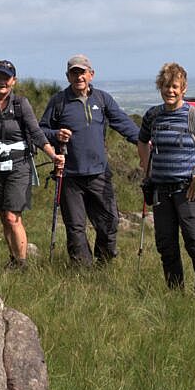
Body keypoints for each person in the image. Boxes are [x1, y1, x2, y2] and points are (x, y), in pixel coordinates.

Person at [39, 54, 139, 266]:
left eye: (82, 72)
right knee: (75, 226)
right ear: (68, 76)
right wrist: (56, 134)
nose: (79, 77)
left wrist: (144, 142)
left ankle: (104, 262)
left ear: (91, 75)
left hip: (99, 173)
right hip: (69, 176)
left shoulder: (102, 99)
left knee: (109, 221)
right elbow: (40, 131)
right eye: (74, 73)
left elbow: (122, 123)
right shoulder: (58, 101)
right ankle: (82, 270)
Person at [137, 62, 195, 297]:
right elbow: (142, 140)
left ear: (183, 88)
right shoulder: (152, 115)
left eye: (175, 86)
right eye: (166, 86)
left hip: (189, 191)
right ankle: (176, 296)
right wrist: (147, 167)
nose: (170, 91)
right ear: (160, 87)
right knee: (166, 246)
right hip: (161, 191)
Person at [0, 60, 64, 269]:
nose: (2, 81)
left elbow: (36, 133)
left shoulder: (21, 104)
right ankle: (13, 258)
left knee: (13, 215)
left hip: (18, 166)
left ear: (14, 81)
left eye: (6, 77)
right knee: (3, 215)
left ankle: (21, 263)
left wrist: (53, 155)